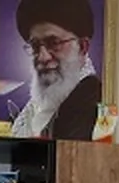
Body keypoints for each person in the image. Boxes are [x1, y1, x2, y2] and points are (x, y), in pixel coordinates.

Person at [9, 0, 102, 141]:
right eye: (35, 46)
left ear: (83, 47)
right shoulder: (31, 111)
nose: (43, 57)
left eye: (54, 43)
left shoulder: (94, 102)